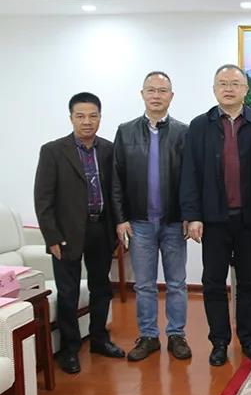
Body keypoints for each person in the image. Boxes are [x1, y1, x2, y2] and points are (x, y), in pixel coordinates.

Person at [34, 92, 125, 374]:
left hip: (100, 229)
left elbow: (115, 192)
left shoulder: (108, 149)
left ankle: (99, 339)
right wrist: (51, 237)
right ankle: (70, 349)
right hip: (66, 234)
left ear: (100, 117)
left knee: (101, 288)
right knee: (68, 292)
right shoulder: (53, 151)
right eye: (81, 116)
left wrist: (115, 230)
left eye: (93, 116)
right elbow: (43, 199)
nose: (87, 121)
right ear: (71, 118)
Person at [180, 64, 251, 366]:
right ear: (214, 89)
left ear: (245, 90)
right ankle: (219, 341)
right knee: (214, 282)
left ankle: (249, 339)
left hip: (249, 219)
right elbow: (190, 173)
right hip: (213, 219)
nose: (228, 89)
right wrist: (193, 216)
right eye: (222, 83)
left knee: (249, 282)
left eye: (234, 83)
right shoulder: (199, 125)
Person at [111, 71, 191, 362]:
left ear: (171, 96)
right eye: (151, 90)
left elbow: (190, 179)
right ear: (142, 94)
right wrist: (120, 219)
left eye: (162, 90)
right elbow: (116, 178)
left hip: (174, 221)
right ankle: (148, 336)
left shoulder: (184, 132)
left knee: (177, 283)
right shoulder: (125, 131)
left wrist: (189, 214)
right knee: (144, 285)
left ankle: (177, 335)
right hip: (139, 222)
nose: (156, 95)